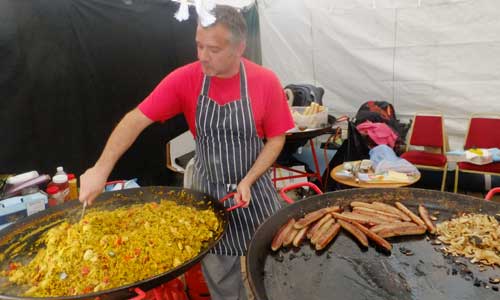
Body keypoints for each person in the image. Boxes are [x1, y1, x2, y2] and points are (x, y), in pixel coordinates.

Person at [78, 5, 294, 300]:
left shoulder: (265, 81)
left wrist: (249, 179)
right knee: (222, 281)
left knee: (272, 272)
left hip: (255, 191)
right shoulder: (185, 79)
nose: (203, 55)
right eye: (199, 45)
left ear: (239, 47)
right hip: (211, 197)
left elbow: (276, 139)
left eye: (214, 49)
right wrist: (101, 168)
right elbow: (134, 120)